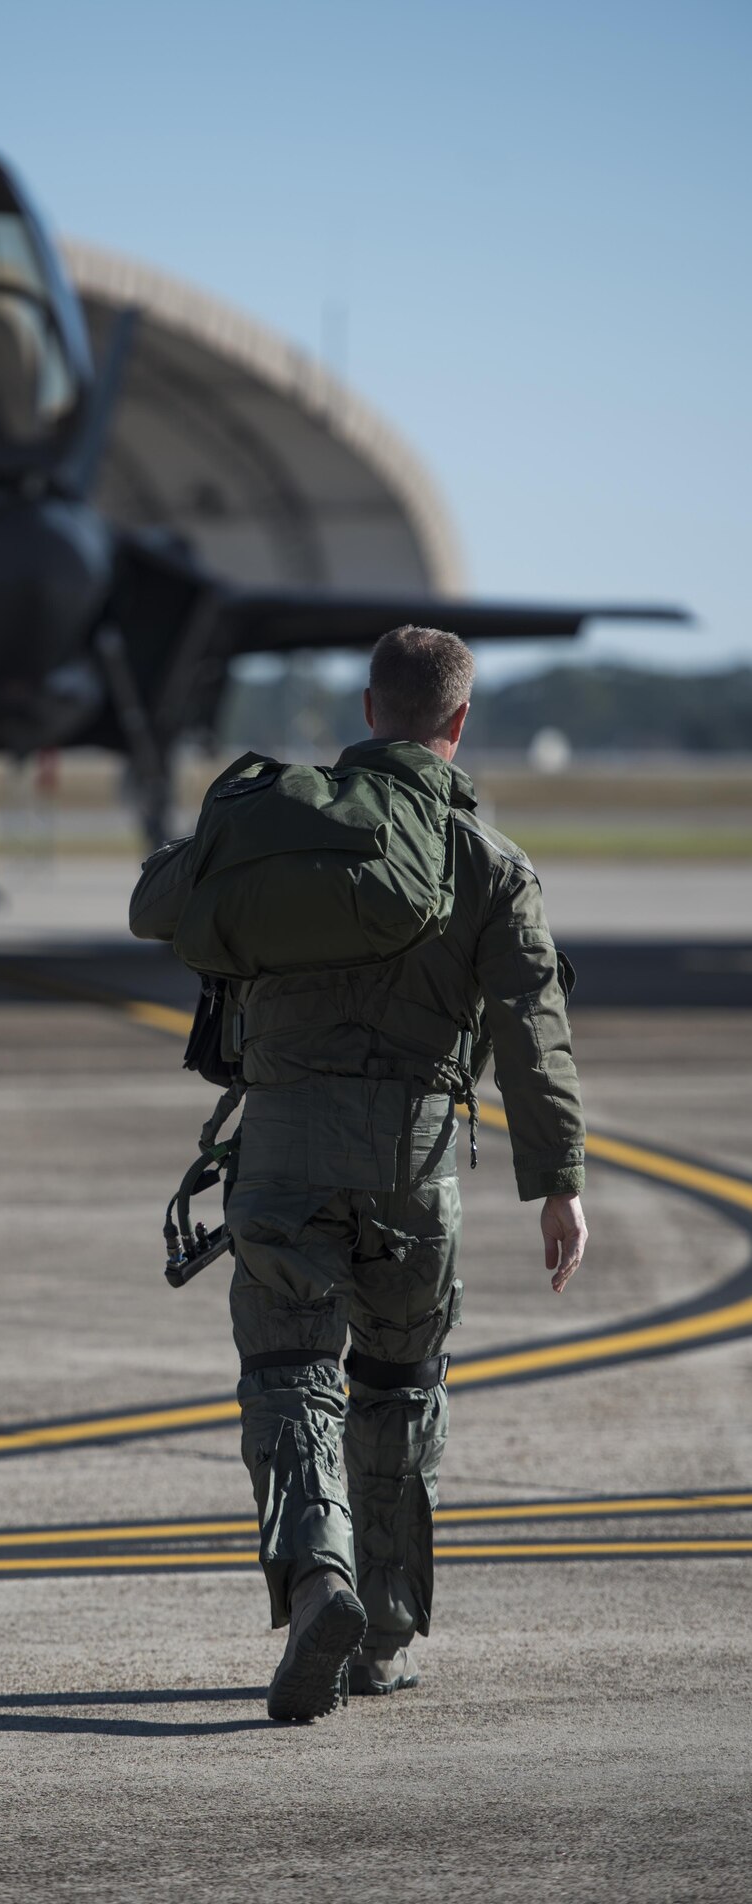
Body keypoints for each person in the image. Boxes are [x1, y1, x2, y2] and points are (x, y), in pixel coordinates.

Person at [130, 626, 587, 1722]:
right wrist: (557, 1180)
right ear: (458, 722)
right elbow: (532, 1026)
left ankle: (315, 1577)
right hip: (414, 1161)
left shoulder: (292, 830)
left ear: (368, 708)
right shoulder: (488, 860)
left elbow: (157, 902)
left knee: (290, 1370)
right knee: (399, 1387)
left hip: (280, 1145)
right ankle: (380, 1634)